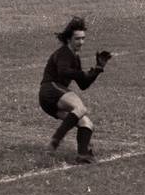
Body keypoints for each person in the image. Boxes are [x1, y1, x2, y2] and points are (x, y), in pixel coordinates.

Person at [39, 16, 112, 164]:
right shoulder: (64, 53)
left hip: (52, 102)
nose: (81, 42)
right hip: (50, 90)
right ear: (69, 39)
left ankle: (83, 155)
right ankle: (55, 141)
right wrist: (83, 73)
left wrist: (98, 69)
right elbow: (63, 71)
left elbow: (83, 84)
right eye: (78, 39)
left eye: (83, 38)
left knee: (86, 123)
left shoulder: (75, 58)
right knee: (80, 107)